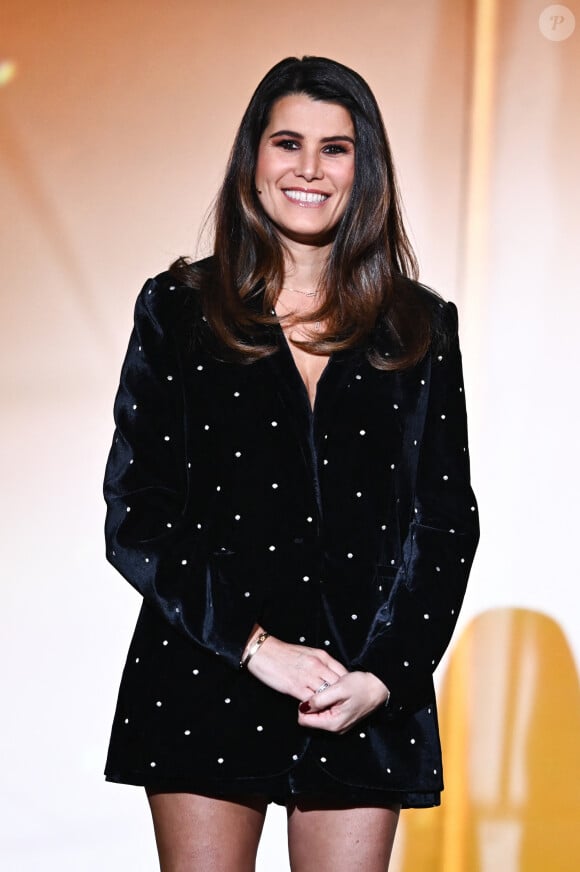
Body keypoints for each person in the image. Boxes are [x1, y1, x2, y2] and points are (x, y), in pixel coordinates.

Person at [103, 56, 479, 872]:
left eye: (336, 148)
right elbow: (139, 512)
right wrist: (254, 646)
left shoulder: (419, 326)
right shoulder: (178, 310)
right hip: (208, 668)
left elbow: (445, 523)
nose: (309, 168)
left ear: (364, 169)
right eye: (288, 143)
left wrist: (384, 676)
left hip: (358, 684)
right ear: (255, 160)